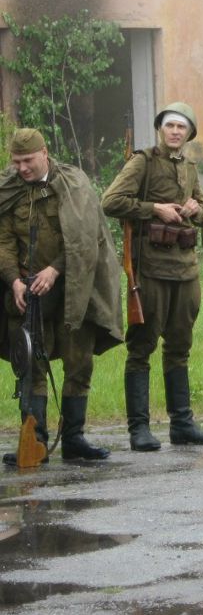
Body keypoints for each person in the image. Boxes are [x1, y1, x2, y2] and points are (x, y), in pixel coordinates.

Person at [102, 102, 203, 451]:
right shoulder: (142, 162)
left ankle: (181, 423)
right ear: (160, 129)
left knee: (180, 347)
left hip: (185, 270)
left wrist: (198, 209)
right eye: (169, 125)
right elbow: (111, 201)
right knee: (141, 348)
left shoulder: (190, 168)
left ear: (189, 134)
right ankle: (139, 428)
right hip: (150, 269)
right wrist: (154, 208)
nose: (175, 132)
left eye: (182, 127)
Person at [1, 128, 122, 465]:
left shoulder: (74, 184)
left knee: (78, 361)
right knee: (30, 367)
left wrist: (54, 270)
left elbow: (86, 239)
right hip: (27, 295)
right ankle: (34, 441)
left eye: (28, 160)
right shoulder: (9, 190)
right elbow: (4, 242)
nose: (22, 168)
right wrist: (13, 281)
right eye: (16, 161)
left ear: (45, 153)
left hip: (72, 289)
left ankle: (74, 439)